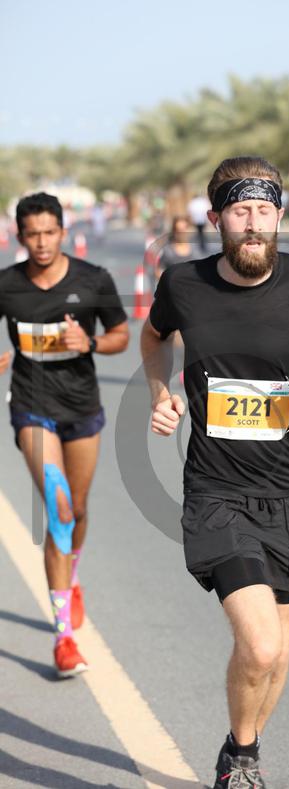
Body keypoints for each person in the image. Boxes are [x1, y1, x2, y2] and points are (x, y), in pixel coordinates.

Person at [141, 157, 289, 788]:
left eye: (264, 210)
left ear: (279, 215)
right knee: (260, 644)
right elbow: (153, 338)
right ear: (217, 218)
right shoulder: (183, 284)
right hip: (216, 492)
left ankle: (243, 752)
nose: (253, 224)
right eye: (240, 211)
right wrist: (161, 393)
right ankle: (241, 761)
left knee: (278, 650)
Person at [0, 192, 129, 678]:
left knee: (77, 508)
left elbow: (120, 335)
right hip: (32, 407)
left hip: (81, 408)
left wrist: (89, 341)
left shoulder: (93, 279)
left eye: (48, 233)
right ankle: (64, 639)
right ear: (20, 236)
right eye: (31, 234)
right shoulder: (7, 284)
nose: (41, 243)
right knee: (58, 508)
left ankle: (71, 577)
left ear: (62, 231)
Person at [155, 215, 198, 281]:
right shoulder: (168, 251)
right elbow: (159, 271)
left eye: (184, 229)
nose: (181, 233)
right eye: (178, 230)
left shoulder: (195, 249)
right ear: (174, 231)